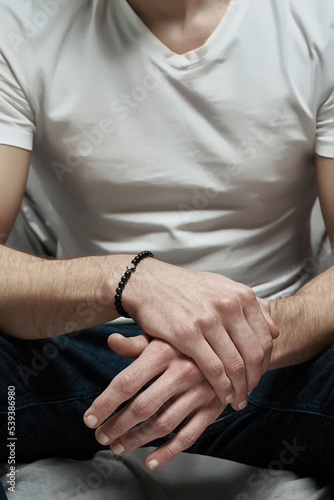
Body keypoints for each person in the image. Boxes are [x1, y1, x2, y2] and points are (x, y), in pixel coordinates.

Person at [0, 0, 333, 481]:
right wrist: (124, 277)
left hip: (280, 357)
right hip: (84, 353)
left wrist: (244, 342)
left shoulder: (318, 19)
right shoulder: (22, 21)